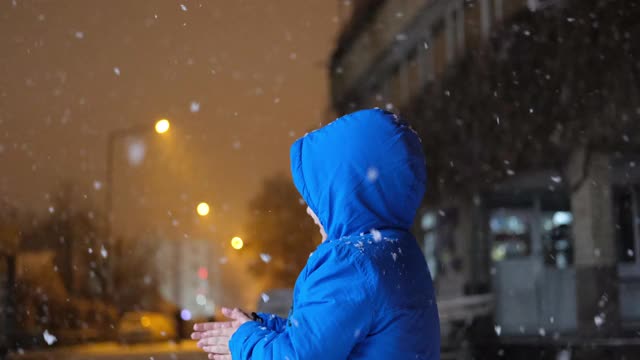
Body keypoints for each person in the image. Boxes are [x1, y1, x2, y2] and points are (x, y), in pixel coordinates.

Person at [191, 108, 440, 359]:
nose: (310, 211)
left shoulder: (350, 263)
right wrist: (258, 329)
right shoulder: (398, 252)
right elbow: (324, 338)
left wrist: (242, 342)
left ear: (345, 195)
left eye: (319, 199)